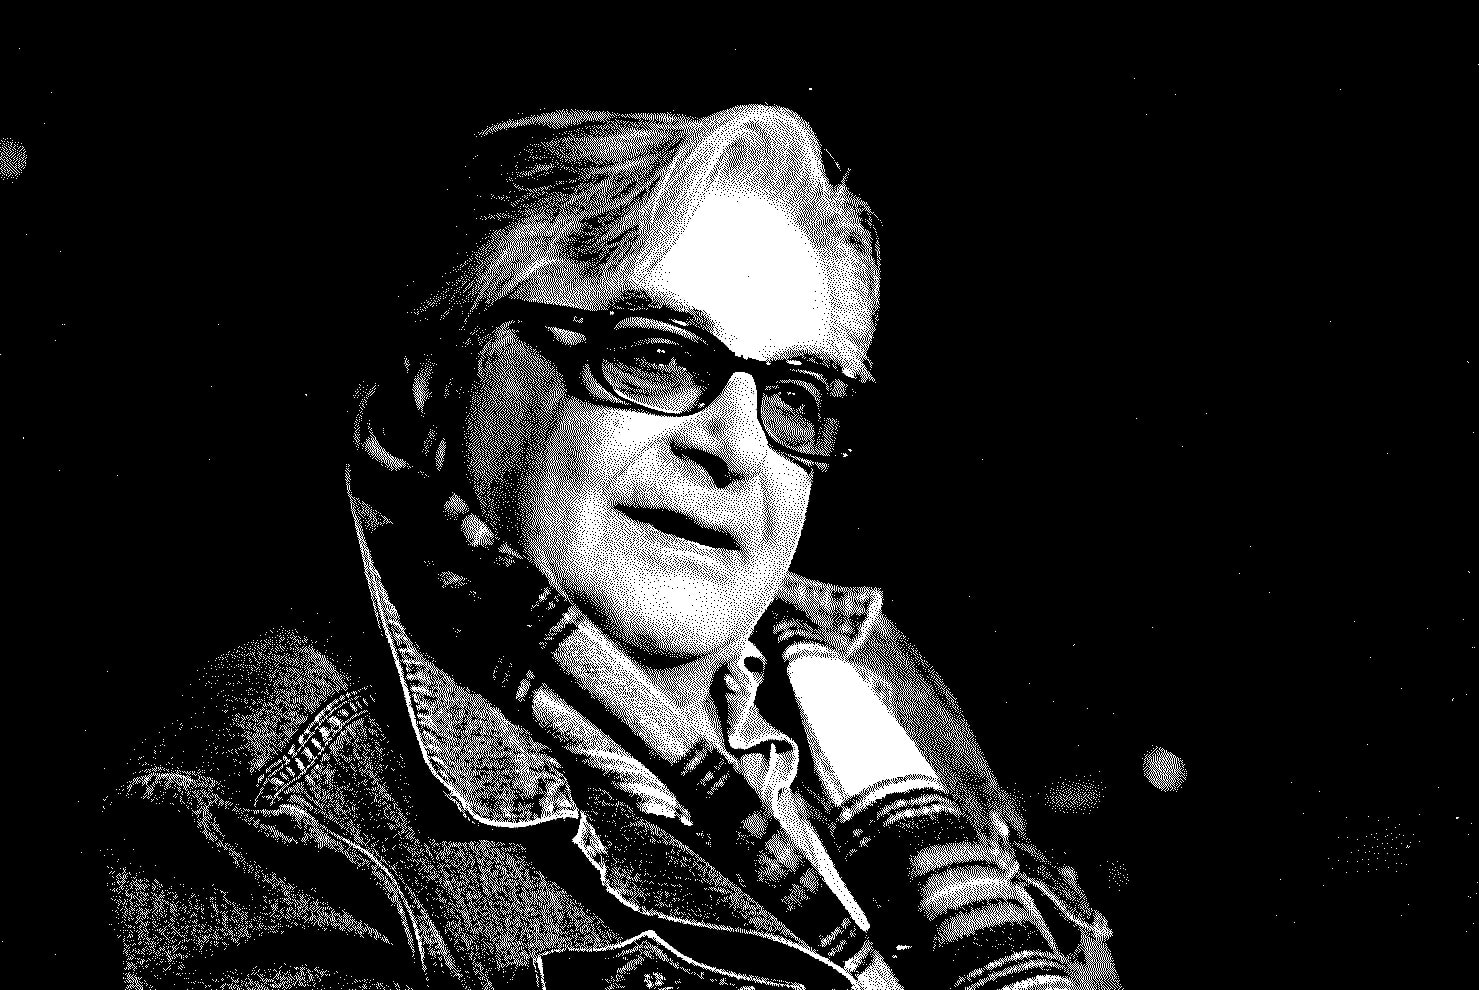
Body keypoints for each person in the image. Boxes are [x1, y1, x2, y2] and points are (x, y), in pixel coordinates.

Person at [102, 105, 1119, 989]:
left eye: (793, 396)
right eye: (654, 354)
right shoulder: (268, 807)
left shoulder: (874, 675)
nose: (734, 448)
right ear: (441, 384)